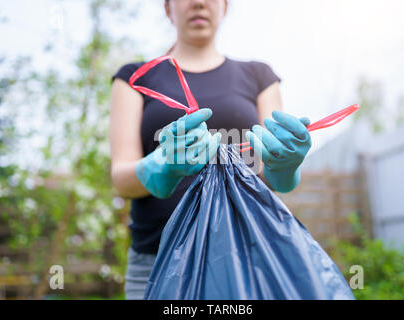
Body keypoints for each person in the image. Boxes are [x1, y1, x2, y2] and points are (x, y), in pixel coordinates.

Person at [109, 0, 312, 300]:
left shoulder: (259, 77)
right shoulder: (135, 78)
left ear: (225, 7)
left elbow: (273, 176)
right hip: (157, 263)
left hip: (247, 259)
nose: (199, 3)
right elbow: (121, 180)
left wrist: (284, 167)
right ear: (168, 8)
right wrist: (160, 166)